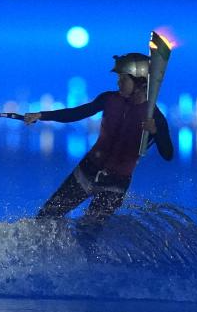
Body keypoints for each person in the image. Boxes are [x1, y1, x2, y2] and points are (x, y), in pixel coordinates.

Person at [23, 52, 174, 231]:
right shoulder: (109, 99)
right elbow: (77, 113)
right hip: (86, 171)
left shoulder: (155, 117)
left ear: (140, 82)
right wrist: (41, 115)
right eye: (118, 78)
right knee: (46, 216)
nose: (118, 83)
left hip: (115, 185)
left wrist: (156, 132)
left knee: (88, 230)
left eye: (123, 79)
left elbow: (168, 154)